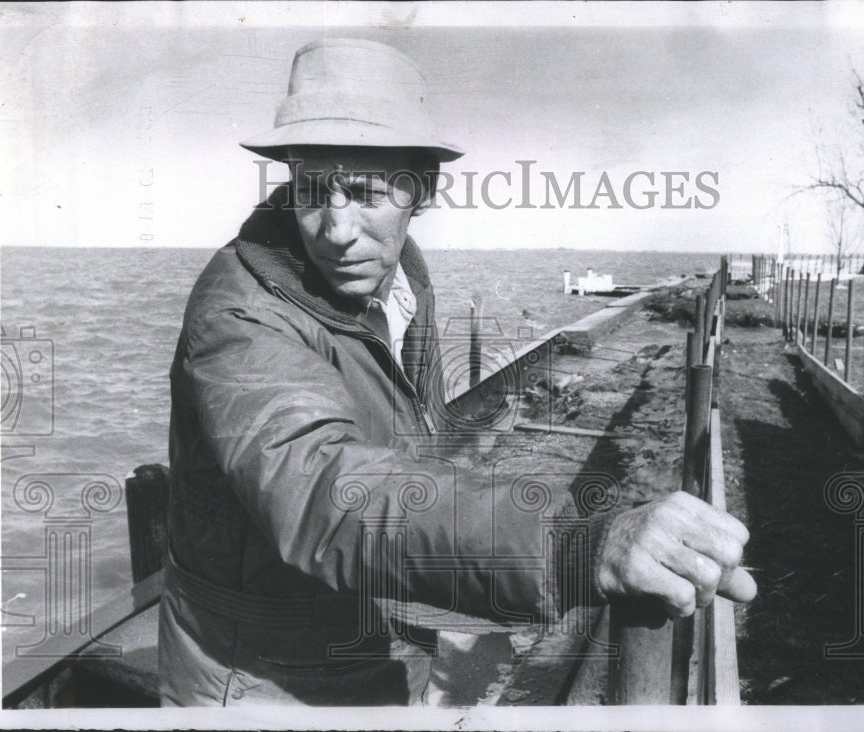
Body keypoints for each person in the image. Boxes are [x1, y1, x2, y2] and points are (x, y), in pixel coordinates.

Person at [158, 38, 756, 706]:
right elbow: (326, 492)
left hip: (382, 639)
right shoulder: (238, 313)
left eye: (364, 192)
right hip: (260, 681)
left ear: (424, 191)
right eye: (309, 190)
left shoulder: (402, 276)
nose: (335, 229)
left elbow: (409, 448)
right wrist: (574, 544)